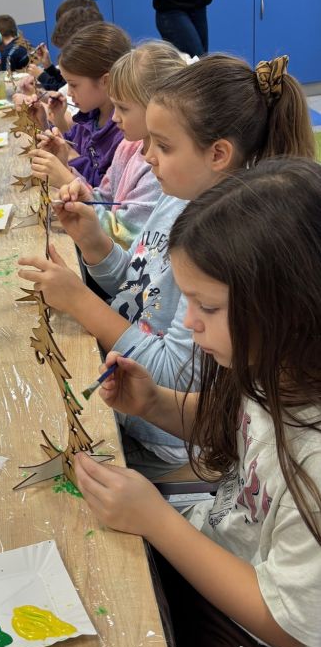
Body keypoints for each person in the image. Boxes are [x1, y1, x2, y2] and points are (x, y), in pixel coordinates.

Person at [74, 158, 321, 647]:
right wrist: (155, 403)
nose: (187, 323)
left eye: (206, 306)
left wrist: (158, 522)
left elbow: (286, 623)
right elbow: (237, 435)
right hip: (221, 564)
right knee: (86, 611)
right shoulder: (277, 364)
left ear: (292, 307)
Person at [18, 54, 314, 472]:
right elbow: (143, 288)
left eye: (163, 145)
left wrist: (80, 301)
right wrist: (94, 241)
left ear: (218, 154)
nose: (146, 155)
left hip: (160, 437)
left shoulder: (226, 248)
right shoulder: (176, 199)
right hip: (135, 400)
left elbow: (174, 373)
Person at [32, 41, 185, 249]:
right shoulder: (128, 147)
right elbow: (102, 200)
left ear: (157, 108)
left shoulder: (160, 171)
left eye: (123, 108)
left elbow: (123, 238)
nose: (115, 117)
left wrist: (65, 178)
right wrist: (67, 170)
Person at [27, 22, 131, 188]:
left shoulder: (124, 133)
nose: (69, 92)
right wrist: (44, 122)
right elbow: (67, 142)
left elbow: (103, 191)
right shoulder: (90, 116)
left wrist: (70, 156)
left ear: (106, 81)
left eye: (74, 85)